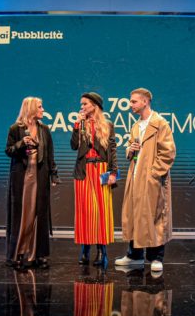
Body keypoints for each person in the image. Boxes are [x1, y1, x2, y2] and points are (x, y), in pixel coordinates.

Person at [114, 88, 176, 273]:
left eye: (134, 101)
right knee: (135, 215)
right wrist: (130, 150)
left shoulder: (160, 123)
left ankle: (156, 257)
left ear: (145, 102)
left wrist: (154, 174)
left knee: (155, 215)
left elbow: (168, 153)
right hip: (135, 178)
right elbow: (130, 149)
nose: (130, 105)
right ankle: (135, 255)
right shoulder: (136, 126)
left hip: (152, 179)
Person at [5, 97, 59, 269]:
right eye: (40, 107)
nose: (43, 110)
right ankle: (18, 254)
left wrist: (53, 175)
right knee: (22, 215)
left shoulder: (44, 130)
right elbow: (9, 150)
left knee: (39, 213)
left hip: (40, 175)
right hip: (22, 176)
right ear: (30, 109)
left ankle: (38, 254)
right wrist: (22, 143)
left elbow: (50, 154)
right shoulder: (15, 129)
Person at [71, 92, 118, 267]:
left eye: (85, 104)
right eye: (81, 104)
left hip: (101, 170)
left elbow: (112, 149)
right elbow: (74, 146)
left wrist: (113, 172)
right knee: (85, 211)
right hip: (84, 171)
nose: (82, 107)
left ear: (94, 105)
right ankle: (85, 250)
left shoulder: (107, 125)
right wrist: (77, 125)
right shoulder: (81, 124)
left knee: (101, 211)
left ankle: (101, 250)